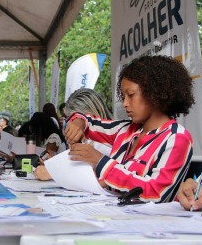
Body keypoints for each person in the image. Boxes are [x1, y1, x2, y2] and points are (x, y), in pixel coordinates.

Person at [65, 55, 194, 203]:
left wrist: (101, 162)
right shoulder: (124, 129)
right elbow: (89, 121)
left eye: (131, 95)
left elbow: (156, 193)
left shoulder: (177, 138)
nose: (125, 103)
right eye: (123, 96)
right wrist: (78, 123)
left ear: (155, 94)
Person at [35, 88, 113, 181]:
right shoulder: (86, 139)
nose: (72, 125)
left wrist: (56, 172)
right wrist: (56, 165)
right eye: (70, 119)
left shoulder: (109, 141)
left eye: (77, 119)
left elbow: (103, 179)